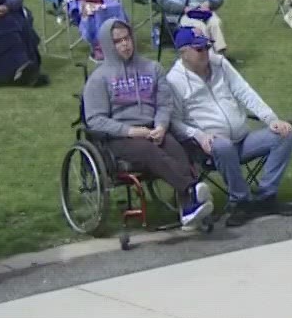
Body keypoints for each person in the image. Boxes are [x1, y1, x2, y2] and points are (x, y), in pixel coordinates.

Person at [82, 19, 216, 228]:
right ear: (109, 45)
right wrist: (130, 131)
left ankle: (189, 208)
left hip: (154, 128)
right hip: (120, 137)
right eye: (118, 41)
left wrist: (161, 126)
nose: (125, 44)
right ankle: (193, 190)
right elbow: (94, 120)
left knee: (176, 149)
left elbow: (164, 103)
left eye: (127, 38)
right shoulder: (99, 79)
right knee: (149, 151)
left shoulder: (153, 68)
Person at [165, 27, 292, 220]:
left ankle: (266, 197)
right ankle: (240, 201)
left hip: (243, 139)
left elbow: (245, 91)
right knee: (223, 145)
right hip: (209, 148)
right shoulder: (173, 80)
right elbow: (174, 121)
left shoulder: (219, 63)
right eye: (199, 49)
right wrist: (199, 135)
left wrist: (271, 119)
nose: (206, 53)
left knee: (285, 134)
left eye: (207, 47)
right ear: (183, 52)